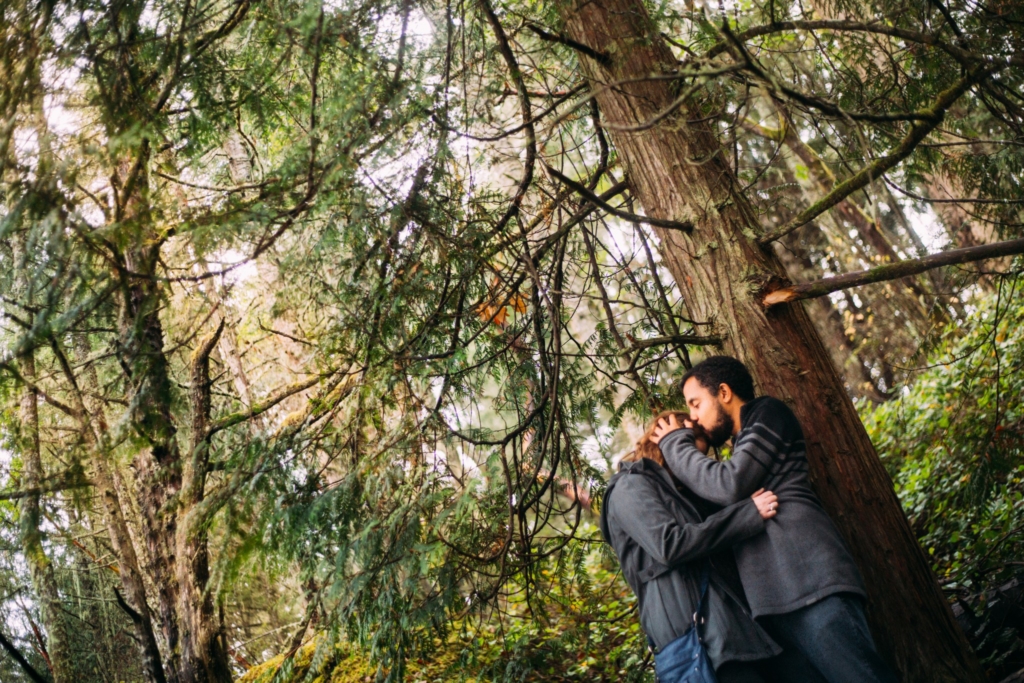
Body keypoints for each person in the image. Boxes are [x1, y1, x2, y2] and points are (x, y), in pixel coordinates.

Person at [651, 356, 898, 683]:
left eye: (696, 404)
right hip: (775, 605)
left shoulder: (767, 413)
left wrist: (674, 444)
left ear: (723, 392)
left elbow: (729, 484)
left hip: (810, 583)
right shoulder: (741, 447)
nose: (693, 416)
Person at [600, 411, 785, 683]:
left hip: (734, 636)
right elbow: (669, 544)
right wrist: (746, 515)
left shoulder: (680, 496)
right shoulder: (629, 486)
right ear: (664, 447)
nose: (689, 466)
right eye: (684, 453)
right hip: (702, 643)